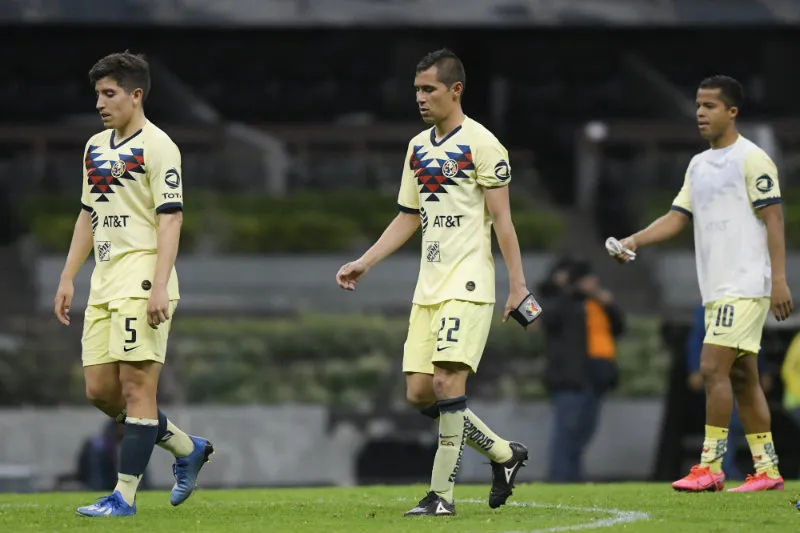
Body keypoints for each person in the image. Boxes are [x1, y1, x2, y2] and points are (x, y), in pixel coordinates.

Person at [336, 48, 529, 516]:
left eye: (430, 89)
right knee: (420, 392)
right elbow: (409, 215)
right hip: (429, 287)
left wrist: (518, 285)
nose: (421, 98)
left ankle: (441, 495)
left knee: (446, 381)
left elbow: (503, 221)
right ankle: (504, 454)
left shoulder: (483, 144)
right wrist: (366, 261)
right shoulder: (418, 147)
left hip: (468, 283)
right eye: (417, 90)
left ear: (455, 90)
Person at [608, 75, 792, 492]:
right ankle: (767, 470)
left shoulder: (753, 158)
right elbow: (677, 217)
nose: (700, 114)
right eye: (697, 106)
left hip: (744, 284)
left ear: (732, 111)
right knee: (743, 378)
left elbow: (774, 219)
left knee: (711, 368)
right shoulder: (698, 165)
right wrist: (634, 240)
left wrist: (779, 280)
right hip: (716, 288)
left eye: (710, 106)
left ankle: (710, 467)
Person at [53, 51, 213, 517]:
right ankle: (186, 447)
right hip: (104, 281)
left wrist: (159, 284)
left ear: (136, 95)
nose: (100, 104)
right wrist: (68, 276)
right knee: (99, 391)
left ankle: (123, 496)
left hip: (142, 276)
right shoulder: (94, 147)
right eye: (98, 95)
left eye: (109, 94)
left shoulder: (159, 146)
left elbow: (171, 219)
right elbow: (89, 212)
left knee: (137, 389)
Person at [540, 260, 623, 482]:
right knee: (566, 430)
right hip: (569, 377)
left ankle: (572, 477)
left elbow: (619, 328)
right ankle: (559, 478)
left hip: (596, 376)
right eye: (587, 279)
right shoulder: (563, 302)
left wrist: (609, 305)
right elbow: (545, 318)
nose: (593, 283)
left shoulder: (597, 304)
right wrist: (563, 289)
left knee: (584, 430)